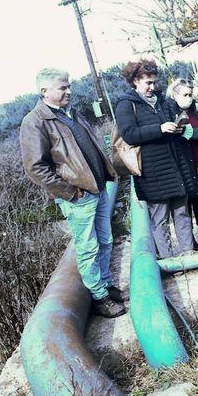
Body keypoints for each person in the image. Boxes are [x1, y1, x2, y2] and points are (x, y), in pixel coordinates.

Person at [20, 68, 127, 318]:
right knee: (88, 247)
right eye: (62, 87)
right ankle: (99, 298)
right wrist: (70, 192)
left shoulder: (72, 113)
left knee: (105, 240)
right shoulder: (35, 121)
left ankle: (106, 285)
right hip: (79, 196)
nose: (69, 91)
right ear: (44, 91)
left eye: (69, 86)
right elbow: (35, 167)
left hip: (98, 189)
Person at [114, 59, 198, 259]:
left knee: (182, 213)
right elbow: (129, 134)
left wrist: (178, 126)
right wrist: (159, 129)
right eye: (148, 83)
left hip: (176, 167)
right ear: (135, 81)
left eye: (154, 82)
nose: (153, 87)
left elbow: (178, 121)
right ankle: (168, 260)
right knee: (159, 218)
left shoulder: (163, 101)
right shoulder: (126, 105)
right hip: (153, 172)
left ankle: (188, 253)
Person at [164, 78, 198, 249]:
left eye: (190, 94)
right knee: (185, 202)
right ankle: (189, 239)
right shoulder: (169, 110)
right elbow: (182, 132)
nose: (188, 97)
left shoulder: (193, 109)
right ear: (174, 95)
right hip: (182, 162)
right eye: (185, 94)